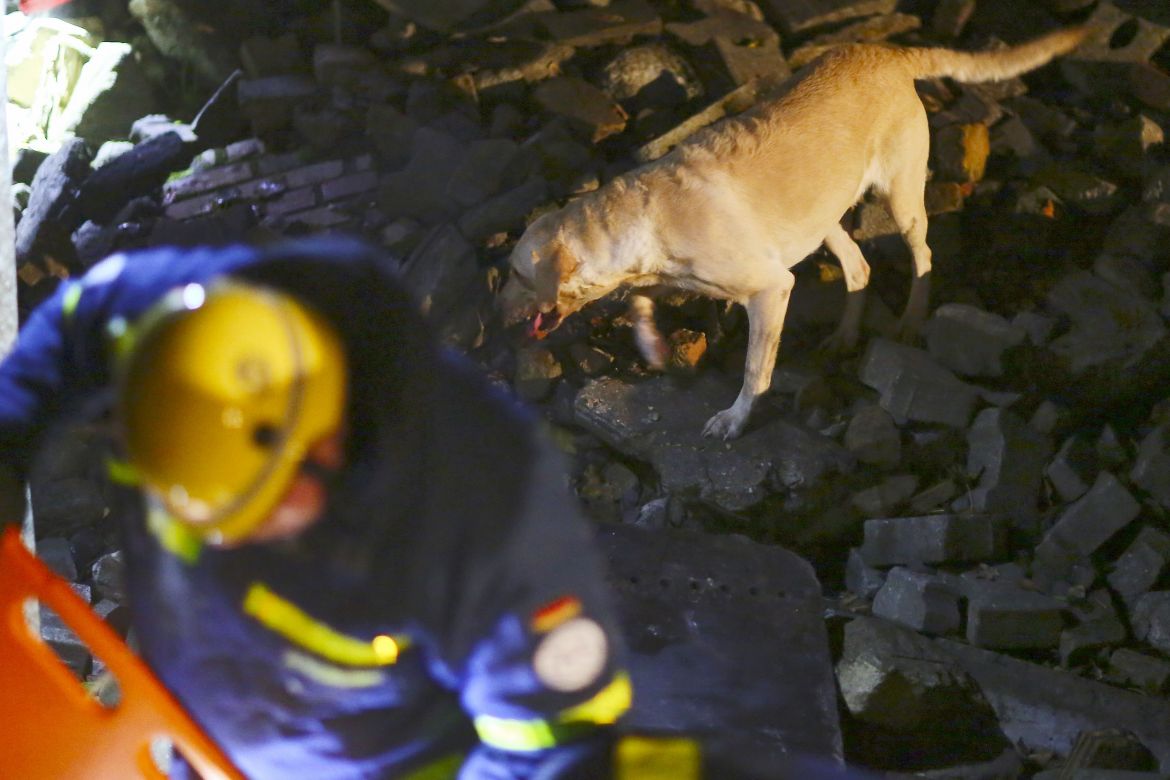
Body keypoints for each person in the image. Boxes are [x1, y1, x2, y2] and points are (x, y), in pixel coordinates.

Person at [0, 237, 633, 779]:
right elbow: (74, 318)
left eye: (242, 515)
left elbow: (555, 744)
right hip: (194, 730)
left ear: (321, 453)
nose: (212, 541)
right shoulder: (186, 329)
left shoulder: (488, 515)